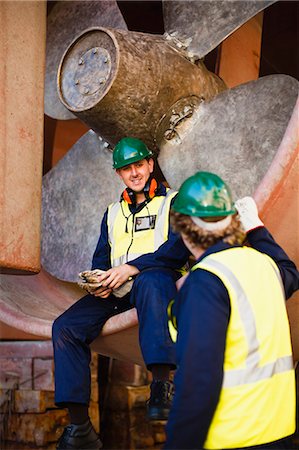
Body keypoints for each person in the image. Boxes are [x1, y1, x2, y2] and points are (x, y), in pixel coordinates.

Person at [52, 137, 187, 450]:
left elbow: (177, 250)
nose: (135, 173)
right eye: (126, 169)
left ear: (150, 165)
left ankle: (161, 384)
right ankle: (80, 427)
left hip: (156, 282)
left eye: (139, 165)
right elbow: (102, 259)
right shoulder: (112, 213)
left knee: (152, 282)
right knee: (64, 328)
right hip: (116, 291)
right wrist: (97, 280)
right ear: (119, 175)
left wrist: (132, 268)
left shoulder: (173, 202)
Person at [163, 171, 299, 450]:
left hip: (233, 436)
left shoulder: (206, 281)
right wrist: (256, 229)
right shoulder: (263, 266)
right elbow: (290, 272)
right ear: (230, 222)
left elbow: (198, 382)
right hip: (280, 433)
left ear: (183, 228)